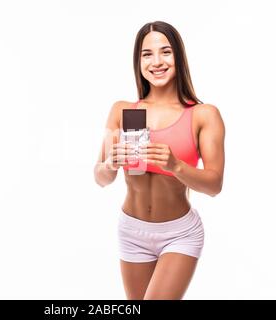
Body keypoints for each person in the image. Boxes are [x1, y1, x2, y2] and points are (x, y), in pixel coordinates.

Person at [93, 21, 225, 300]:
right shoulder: (122, 110)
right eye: (146, 54)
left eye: (165, 52)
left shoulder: (204, 114)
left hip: (179, 234)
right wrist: (110, 163)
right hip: (131, 231)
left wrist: (176, 166)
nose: (156, 62)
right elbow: (100, 177)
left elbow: (214, 185)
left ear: (178, 55)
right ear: (138, 61)